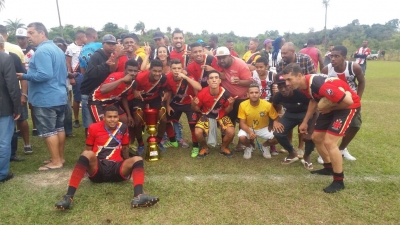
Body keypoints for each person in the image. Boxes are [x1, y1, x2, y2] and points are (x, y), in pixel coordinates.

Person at [54, 106, 159, 209]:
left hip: (116, 167)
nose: (113, 120)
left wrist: (127, 163)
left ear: (118, 117)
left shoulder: (123, 127)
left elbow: (125, 148)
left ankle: (139, 196)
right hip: (98, 168)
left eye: (115, 117)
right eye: (109, 117)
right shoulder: (93, 127)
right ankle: (68, 197)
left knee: (137, 159)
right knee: (86, 153)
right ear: (103, 117)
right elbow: (88, 149)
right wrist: (87, 165)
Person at [282, 63, 361, 193]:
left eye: (289, 79)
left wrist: (329, 108)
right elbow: (313, 100)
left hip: (347, 108)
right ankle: (328, 167)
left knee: (330, 142)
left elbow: (349, 102)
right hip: (331, 107)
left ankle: (338, 180)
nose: (287, 83)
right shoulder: (303, 86)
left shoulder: (319, 85)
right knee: (316, 137)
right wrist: (305, 122)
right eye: (285, 79)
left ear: (300, 75)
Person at [17, 22, 67, 171]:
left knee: (49, 130)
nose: (28, 36)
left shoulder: (42, 51)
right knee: (59, 128)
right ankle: (59, 157)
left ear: (42, 33)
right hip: (59, 95)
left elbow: (45, 74)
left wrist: (24, 75)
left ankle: (56, 161)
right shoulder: (56, 49)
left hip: (46, 97)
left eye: (31, 33)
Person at [321, 45, 365, 161]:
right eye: (331, 56)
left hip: (351, 102)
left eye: (337, 56)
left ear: (344, 57)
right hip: (333, 103)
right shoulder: (326, 70)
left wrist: (358, 98)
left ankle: (342, 149)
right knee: (328, 127)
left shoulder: (354, 67)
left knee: (355, 126)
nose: (333, 59)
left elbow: (361, 82)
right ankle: (325, 153)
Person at [271, 73, 318, 168]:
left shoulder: (301, 93)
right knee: (278, 133)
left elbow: (316, 112)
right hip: (290, 114)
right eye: (280, 87)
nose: (283, 89)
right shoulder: (278, 96)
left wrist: (310, 130)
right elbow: (273, 108)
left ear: (290, 84)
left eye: (285, 86)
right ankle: (292, 153)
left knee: (309, 136)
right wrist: (275, 121)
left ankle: (306, 156)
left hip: (306, 114)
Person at [80, 34, 124, 133]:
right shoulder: (97, 55)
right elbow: (90, 73)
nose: (111, 46)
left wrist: (116, 57)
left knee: (99, 119)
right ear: (103, 44)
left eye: (113, 44)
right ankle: (89, 143)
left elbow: (111, 72)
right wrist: (105, 64)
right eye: (108, 43)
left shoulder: (112, 56)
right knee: (89, 122)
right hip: (88, 91)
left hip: (99, 93)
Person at [191, 71, 236, 158]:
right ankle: (205, 148)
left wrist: (231, 104)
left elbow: (227, 110)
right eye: (211, 78)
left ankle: (223, 147)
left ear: (219, 80)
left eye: (216, 78)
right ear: (208, 81)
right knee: (198, 132)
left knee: (231, 132)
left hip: (221, 116)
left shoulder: (225, 93)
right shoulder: (203, 93)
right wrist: (193, 104)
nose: (214, 80)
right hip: (206, 116)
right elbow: (196, 109)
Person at [216, 46, 253, 150]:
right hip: (227, 98)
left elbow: (250, 81)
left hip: (242, 98)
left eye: (224, 57)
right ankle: (227, 140)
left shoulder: (240, 64)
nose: (221, 60)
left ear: (230, 56)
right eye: (219, 58)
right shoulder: (219, 64)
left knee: (242, 121)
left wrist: (239, 81)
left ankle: (241, 143)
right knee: (227, 119)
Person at [1, 34, 30, 159]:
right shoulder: (6, 58)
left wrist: (23, 94)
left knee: (18, 121)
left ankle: (15, 151)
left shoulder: (13, 57)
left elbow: (23, 76)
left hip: (13, 94)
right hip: (6, 98)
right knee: (6, 132)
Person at [165, 59, 202, 156]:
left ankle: (195, 146)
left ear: (182, 69)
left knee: (193, 125)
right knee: (166, 120)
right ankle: (173, 141)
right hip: (176, 103)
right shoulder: (168, 77)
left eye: (179, 68)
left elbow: (199, 87)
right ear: (170, 69)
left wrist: (185, 77)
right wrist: (168, 105)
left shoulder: (188, 76)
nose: (176, 70)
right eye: (174, 68)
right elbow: (169, 92)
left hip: (190, 103)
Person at [132, 59, 168, 154]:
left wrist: (164, 94)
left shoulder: (163, 78)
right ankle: (140, 144)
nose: (157, 73)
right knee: (137, 121)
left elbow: (163, 89)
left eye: (159, 71)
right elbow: (133, 90)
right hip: (140, 100)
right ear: (150, 69)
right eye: (155, 71)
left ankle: (158, 141)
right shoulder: (140, 77)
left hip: (155, 99)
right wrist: (136, 92)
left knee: (164, 120)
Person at [238, 83, 283, 159]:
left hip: (263, 128)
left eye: (256, 92)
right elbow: (242, 123)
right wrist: (249, 132)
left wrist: (273, 123)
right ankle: (249, 147)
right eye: (251, 93)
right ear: (248, 94)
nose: (254, 94)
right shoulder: (242, 105)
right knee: (242, 137)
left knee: (279, 137)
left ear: (260, 93)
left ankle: (264, 146)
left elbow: (276, 117)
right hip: (249, 127)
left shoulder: (267, 105)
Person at [88, 59, 139, 124]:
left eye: (135, 71)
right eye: (130, 70)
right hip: (97, 101)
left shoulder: (133, 81)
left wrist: (129, 115)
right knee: (102, 125)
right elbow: (103, 90)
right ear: (125, 70)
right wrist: (122, 80)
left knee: (125, 121)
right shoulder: (115, 76)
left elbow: (124, 97)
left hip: (112, 101)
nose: (133, 73)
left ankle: (120, 134)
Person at [0, 49, 21, 182]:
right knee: (3, 141)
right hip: (3, 106)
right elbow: (12, 85)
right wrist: (17, 107)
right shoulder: (5, 58)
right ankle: (2, 174)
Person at [78, 28, 103, 136]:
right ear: (95, 36)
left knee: (87, 116)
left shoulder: (82, 51)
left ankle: (89, 138)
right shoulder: (99, 46)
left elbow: (83, 72)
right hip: (99, 85)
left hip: (87, 85)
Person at [15, 27, 38, 136]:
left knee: (32, 105)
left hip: (31, 79)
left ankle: (35, 127)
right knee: (20, 104)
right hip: (20, 80)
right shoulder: (14, 50)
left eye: (22, 38)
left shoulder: (33, 50)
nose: (20, 40)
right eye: (18, 38)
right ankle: (20, 129)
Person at [66, 30, 87, 129]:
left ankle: (86, 118)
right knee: (77, 98)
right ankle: (76, 119)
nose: (86, 39)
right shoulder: (70, 48)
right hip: (76, 75)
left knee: (86, 97)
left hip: (86, 75)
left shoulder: (86, 47)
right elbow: (68, 63)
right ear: (81, 38)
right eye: (85, 37)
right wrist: (71, 77)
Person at [54, 37, 74, 138]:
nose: (66, 47)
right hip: (57, 87)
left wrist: (70, 75)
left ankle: (67, 131)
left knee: (67, 110)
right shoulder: (55, 56)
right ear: (59, 45)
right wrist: (69, 75)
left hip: (64, 86)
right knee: (61, 111)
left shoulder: (63, 56)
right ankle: (60, 131)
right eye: (64, 45)